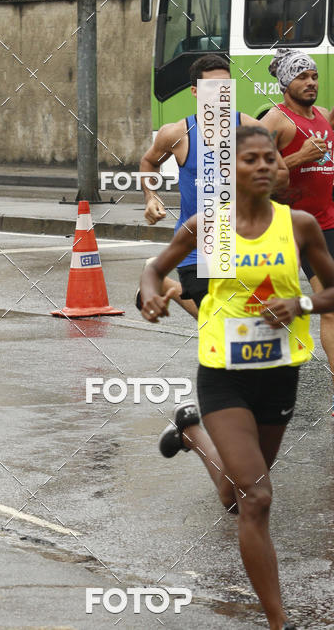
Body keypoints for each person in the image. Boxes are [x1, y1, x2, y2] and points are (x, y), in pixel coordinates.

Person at [140, 126, 334, 630]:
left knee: (236, 495)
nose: (265, 166)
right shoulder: (208, 227)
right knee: (258, 498)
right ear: (231, 171)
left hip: (279, 374)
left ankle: (191, 434)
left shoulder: (300, 226)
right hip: (223, 375)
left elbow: (333, 292)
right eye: (252, 159)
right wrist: (152, 297)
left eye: (271, 158)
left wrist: (303, 303)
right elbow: (152, 269)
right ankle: (278, 622)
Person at [139, 54, 288, 315]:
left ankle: (166, 285)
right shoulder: (178, 134)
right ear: (196, 91)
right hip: (197, 248)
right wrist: (151, 197)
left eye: (225, 87)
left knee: (230, 321)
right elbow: (149, 162)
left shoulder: (250, 128)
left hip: (244, 245)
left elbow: (283, 173)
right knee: (220, 319)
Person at [261, 49, 334, 415]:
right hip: (295, 227)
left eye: (314, 76)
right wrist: (298, 157)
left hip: (329, 221)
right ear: (286, 82)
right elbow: (254, 174)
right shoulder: (276, 120)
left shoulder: (322, 116)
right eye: (302, 77)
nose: (310, 83)